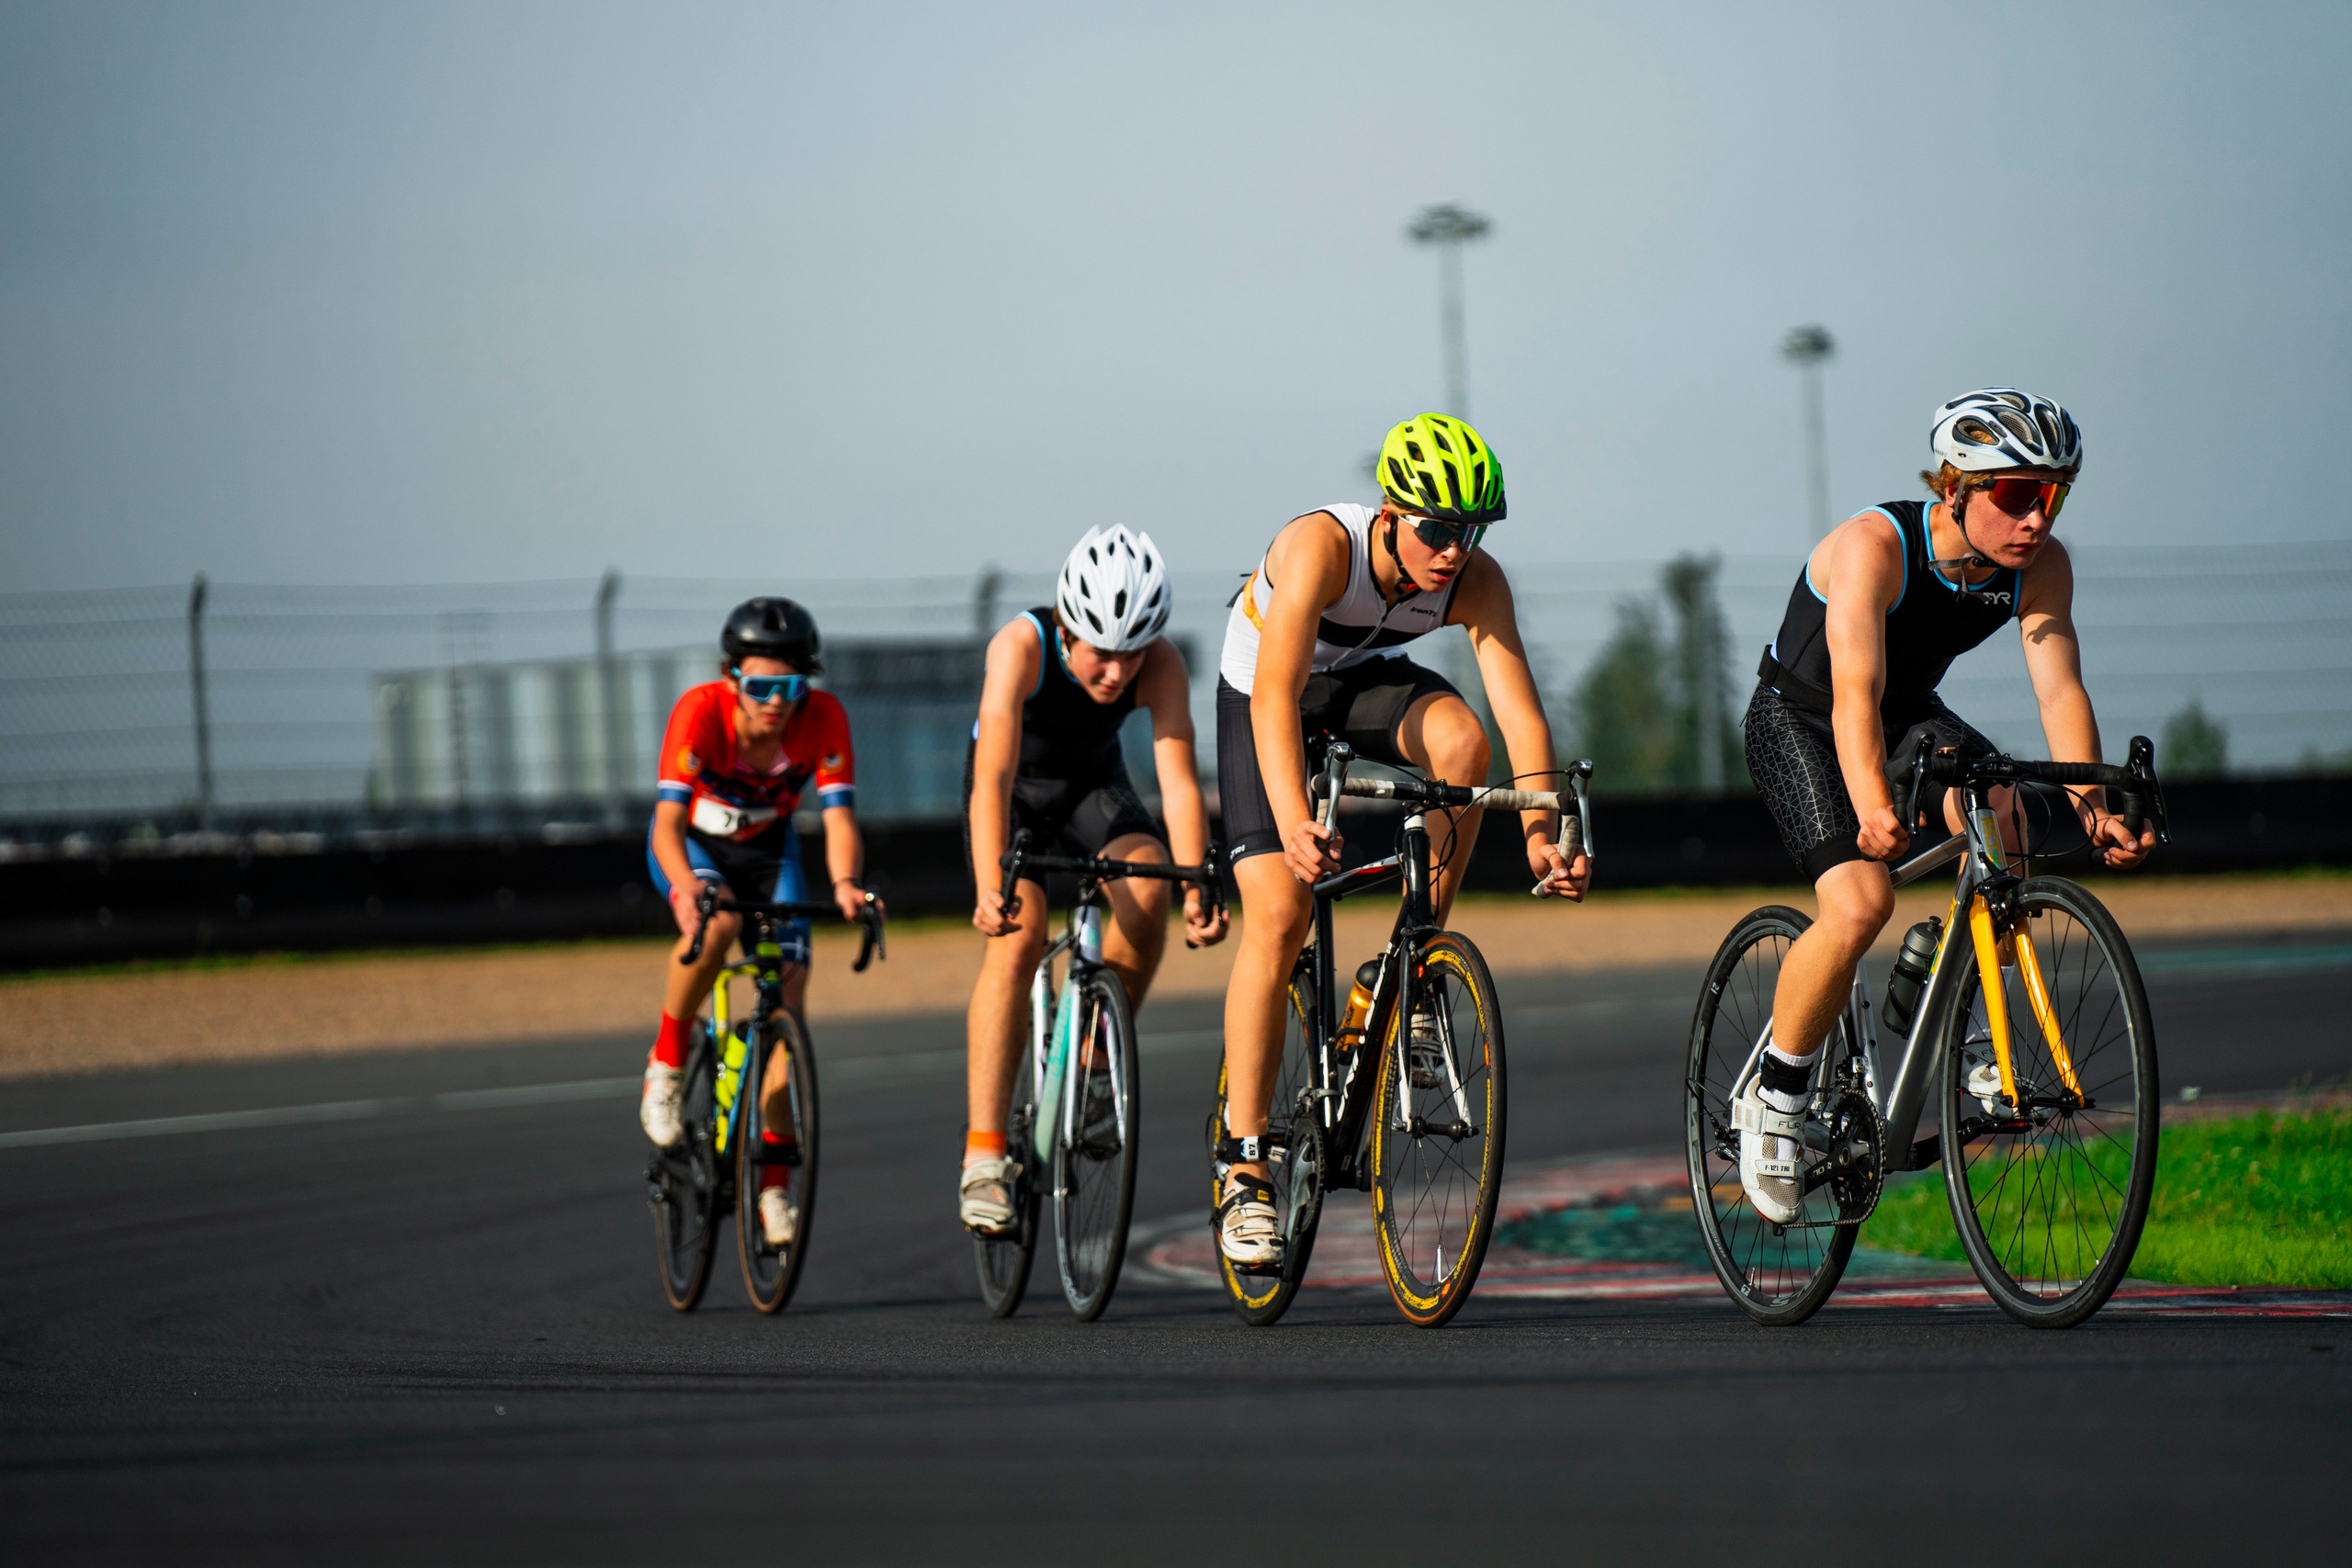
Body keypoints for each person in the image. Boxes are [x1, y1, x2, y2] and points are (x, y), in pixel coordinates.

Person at [1736, 388, 2157, 1222]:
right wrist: (1869, 804)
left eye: (2052, 495)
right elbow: (1853, 696)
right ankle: (1776, 1095)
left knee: (2000, 807)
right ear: (1955, 485)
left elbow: (2059, 688)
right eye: (2014, 495)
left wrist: (2095, 798)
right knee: (1860, 902)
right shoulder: (1874, 547)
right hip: (1802, 718)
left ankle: (1967, 1009)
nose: (2035, 518)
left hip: (1904, 714)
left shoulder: (2043, 565)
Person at [1213, 413, 1589, 1268]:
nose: (1453, 551)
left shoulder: (1474, 578)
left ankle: (1406, 967)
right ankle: (1244, 1167)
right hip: (1264, 696)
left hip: (1354, 686)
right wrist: (1297, 821)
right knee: (1279, 914)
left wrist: (1541, 827)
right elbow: (1273, 699)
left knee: (1463, 747)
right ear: (1388, 513)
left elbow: (1517, 708)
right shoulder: (1320, 548)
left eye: (1470, 532)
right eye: (1436, 530)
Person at [959, 524, 1227, 1233]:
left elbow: (1177, 778)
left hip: (1091, 790)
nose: (1118, 672)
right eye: (1103, 653)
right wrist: (992, 881)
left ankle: (1095, 1062)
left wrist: (1197, 880)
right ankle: (984, 1154)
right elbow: (990, 779)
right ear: (1068, 627)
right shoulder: (1019, 647)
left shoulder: (1160, 664)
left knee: (1148, 891)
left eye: (1133, 653)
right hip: (1014, 795)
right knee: (1016, 942)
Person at [638, 597, 877, 1250]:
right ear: (730, 678)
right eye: (760, 686)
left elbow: (837, 819)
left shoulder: (824, 719)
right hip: (696, 850)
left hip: (772, 855)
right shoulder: (699, 712)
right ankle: (665, 1061)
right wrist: (687, 892)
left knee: (787, 1000)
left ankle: (772, 1187)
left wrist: (848, 884)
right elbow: (664, 824)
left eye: (791, 686)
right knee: (712, 933)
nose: (776, 702)